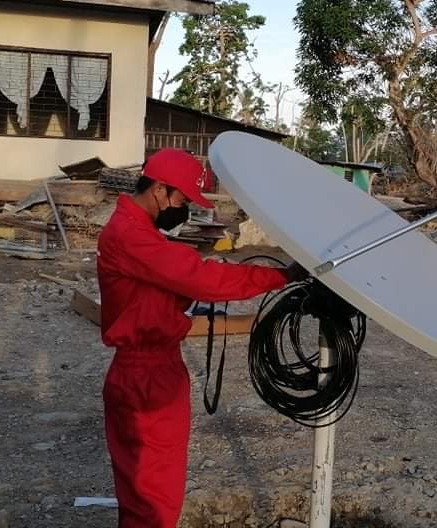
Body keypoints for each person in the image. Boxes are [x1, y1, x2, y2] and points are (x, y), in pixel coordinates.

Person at [97, 148, 306, 528]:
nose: (185, 210)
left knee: (148, 492)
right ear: (160, 190)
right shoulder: (131, 236)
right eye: (183, 200)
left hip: (153, 368)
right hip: (145, 377)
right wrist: (281, 277)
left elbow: (176, 281)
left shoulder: (138, 232)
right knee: (152, 499)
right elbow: (200, 278)